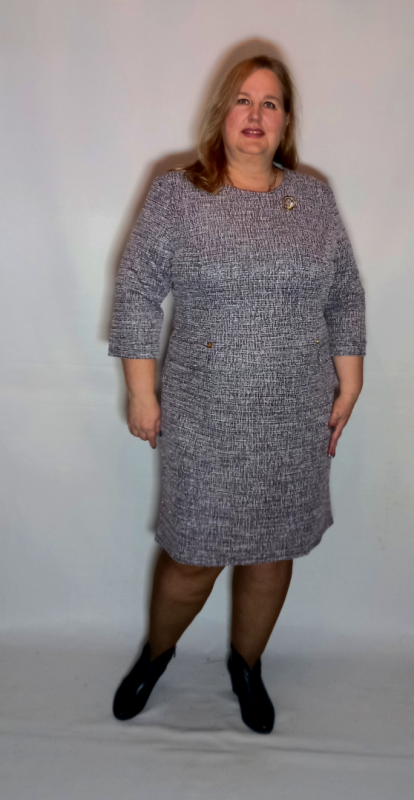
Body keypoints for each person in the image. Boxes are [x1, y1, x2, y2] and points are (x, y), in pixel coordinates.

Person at [108, 54, 366, 734]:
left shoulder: (313, 199)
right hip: (205, 414)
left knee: (271, 552)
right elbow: (136, 291)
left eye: (270, 103)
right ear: (221, 113)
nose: (255, 114)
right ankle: (156, 654)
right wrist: (141, 392)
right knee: (193, 556)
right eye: (243, 100)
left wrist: (351, 379)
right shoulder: (178, 193)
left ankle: (246, 665)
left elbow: (344, 295)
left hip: (295, 412)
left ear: (286, 121)